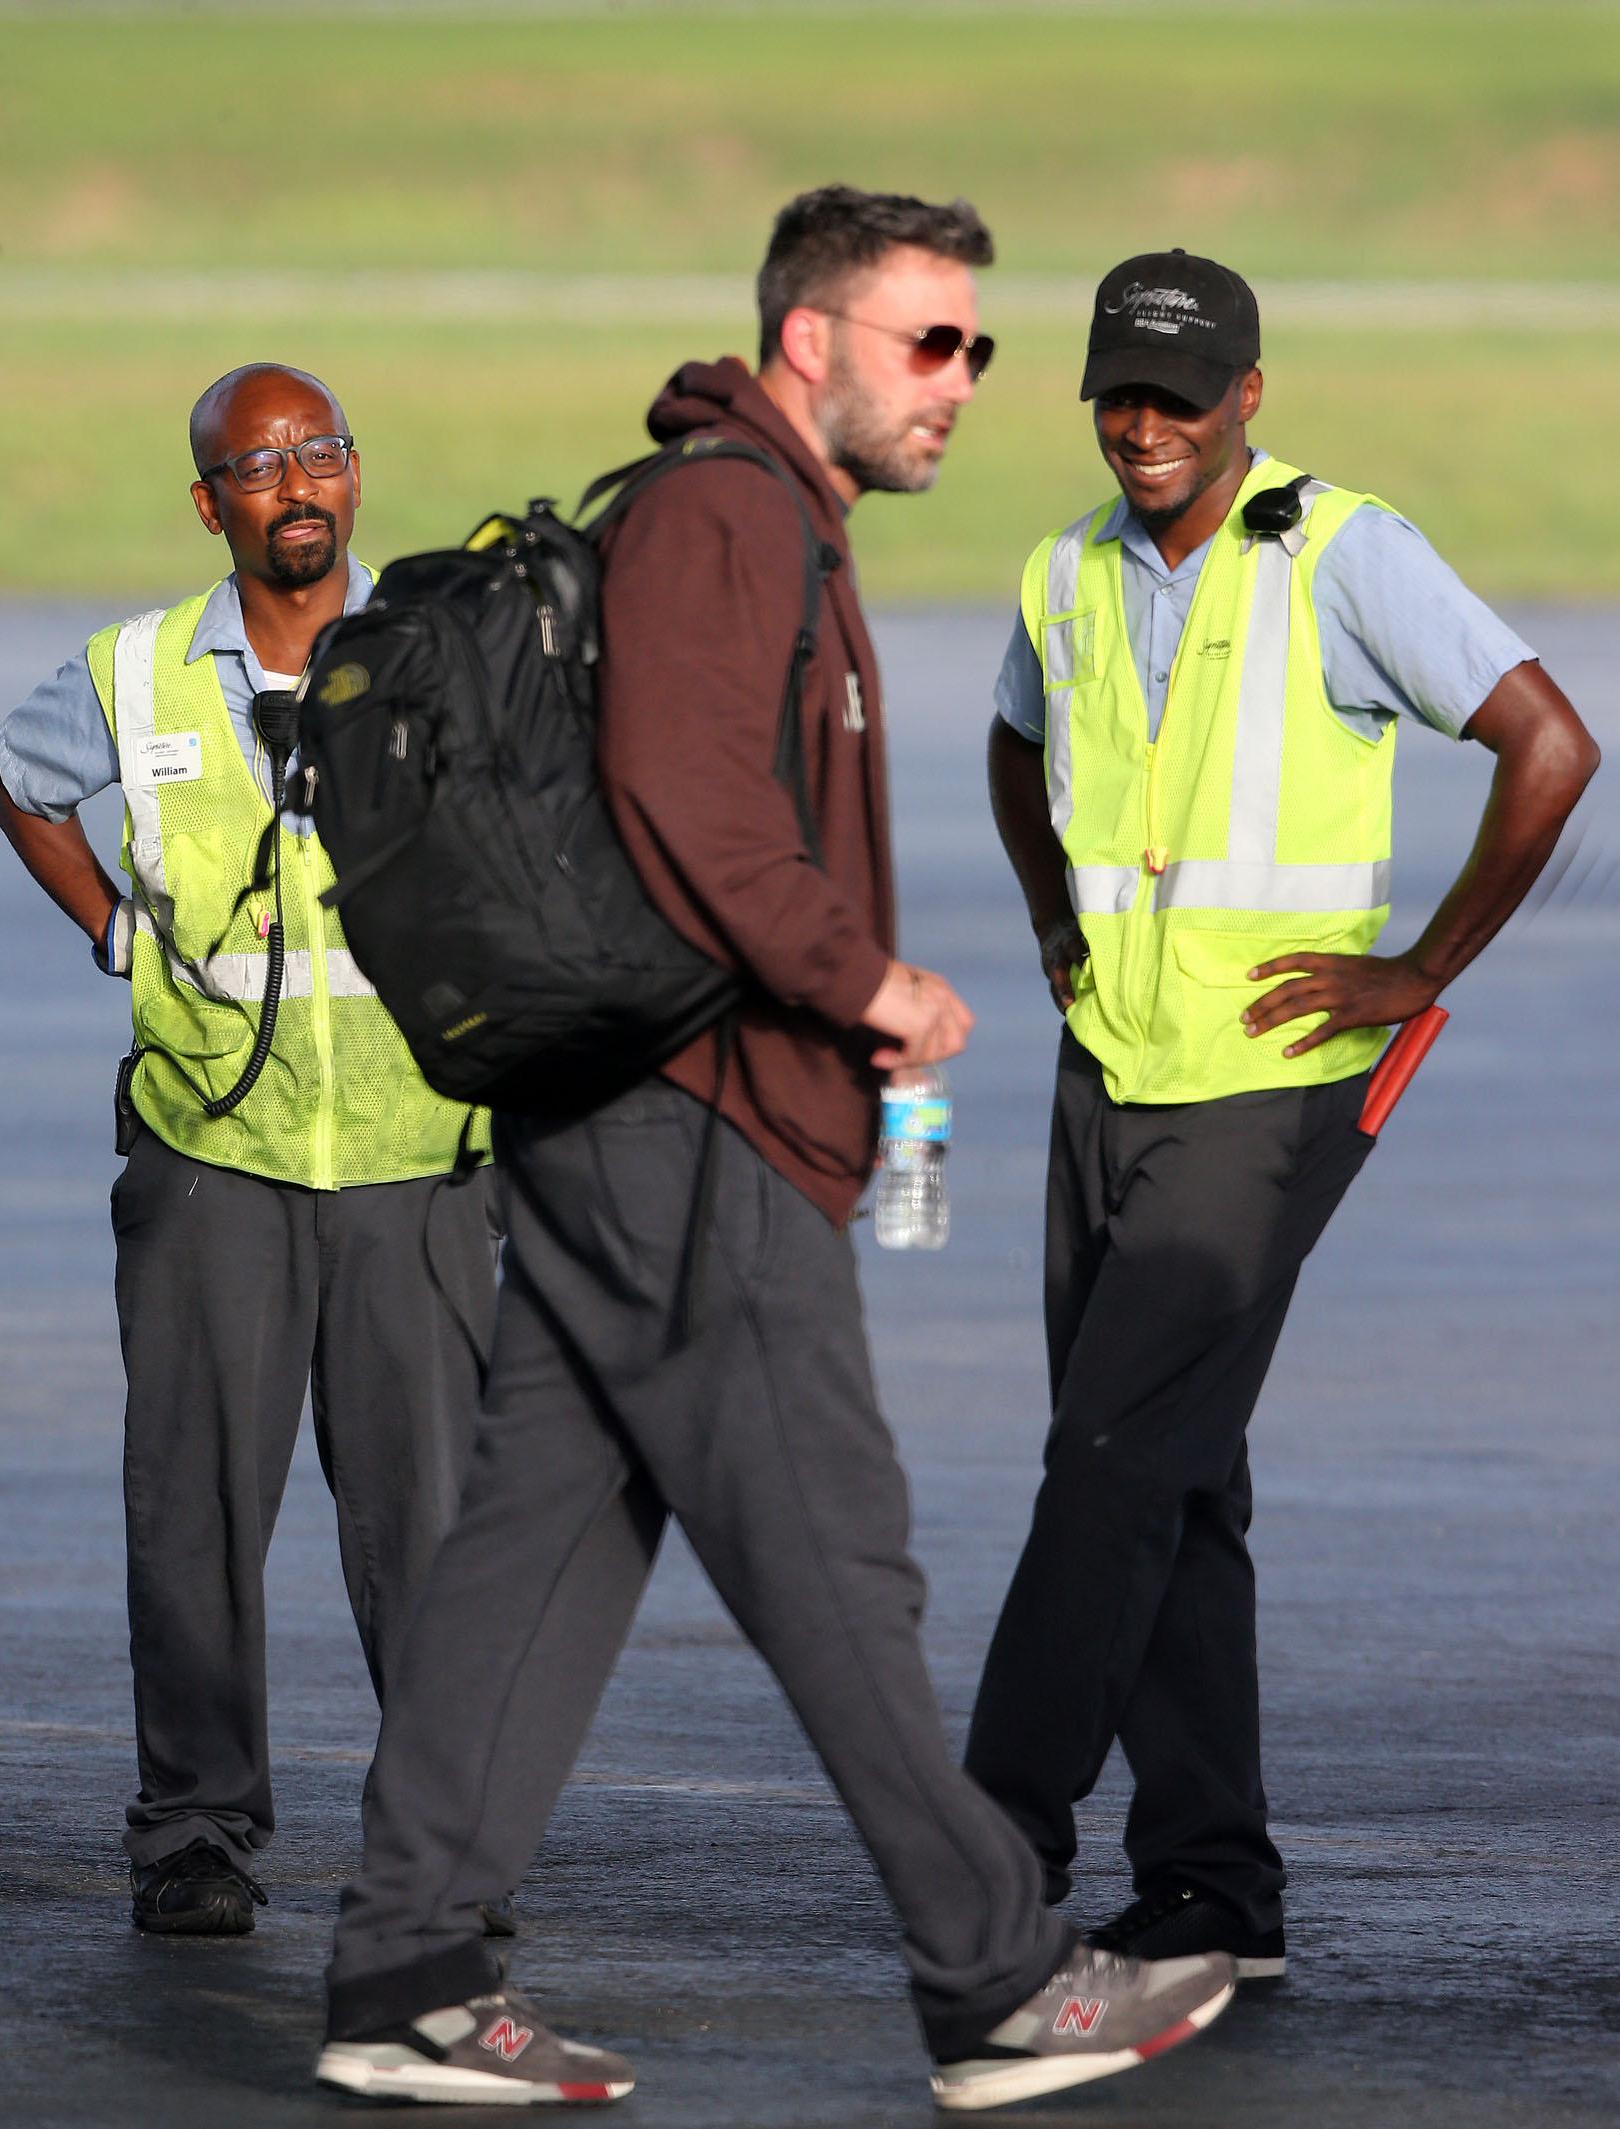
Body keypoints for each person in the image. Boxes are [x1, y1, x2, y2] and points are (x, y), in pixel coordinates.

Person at [312, 189, 1235, 2114]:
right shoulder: (728, 515)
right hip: (698, 1119)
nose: (961, 382)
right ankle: (993, 1975)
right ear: (808, 342)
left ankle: (406, 1968)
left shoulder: (744, 511)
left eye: (975, 347)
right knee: (839, 1560)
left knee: (532, 1551)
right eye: (928, 341)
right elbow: (690, 800)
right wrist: (867, 982)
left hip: (621, 1120)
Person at [965, 250, 1600, 1977]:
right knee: (1170, 1474)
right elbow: (1016, 752)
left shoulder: (1341, 553)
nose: (1141, 424)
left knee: (1103, 1461)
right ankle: (1211, 1884)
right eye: (1117, 391)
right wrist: (1046, 916)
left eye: (1177, 395)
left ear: (1249, 395)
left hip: (1272, 1089)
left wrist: (1416, 966)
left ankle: (990, 1844)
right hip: (1110, 1069)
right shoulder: (1064, 570)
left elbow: (1548, 744)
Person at [0, 365, 498, 1936]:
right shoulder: (134, 674)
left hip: (417, 1158)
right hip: (212, 1149)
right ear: (210, 503)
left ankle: (442, 1854)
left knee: (427, 1530)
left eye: (319, 452)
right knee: (195, 1508)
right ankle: (194, 1830)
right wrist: (110, 929)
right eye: (258, 465)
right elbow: (17, 778)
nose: (297, 484)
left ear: (356, 472)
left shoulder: (443, 655)